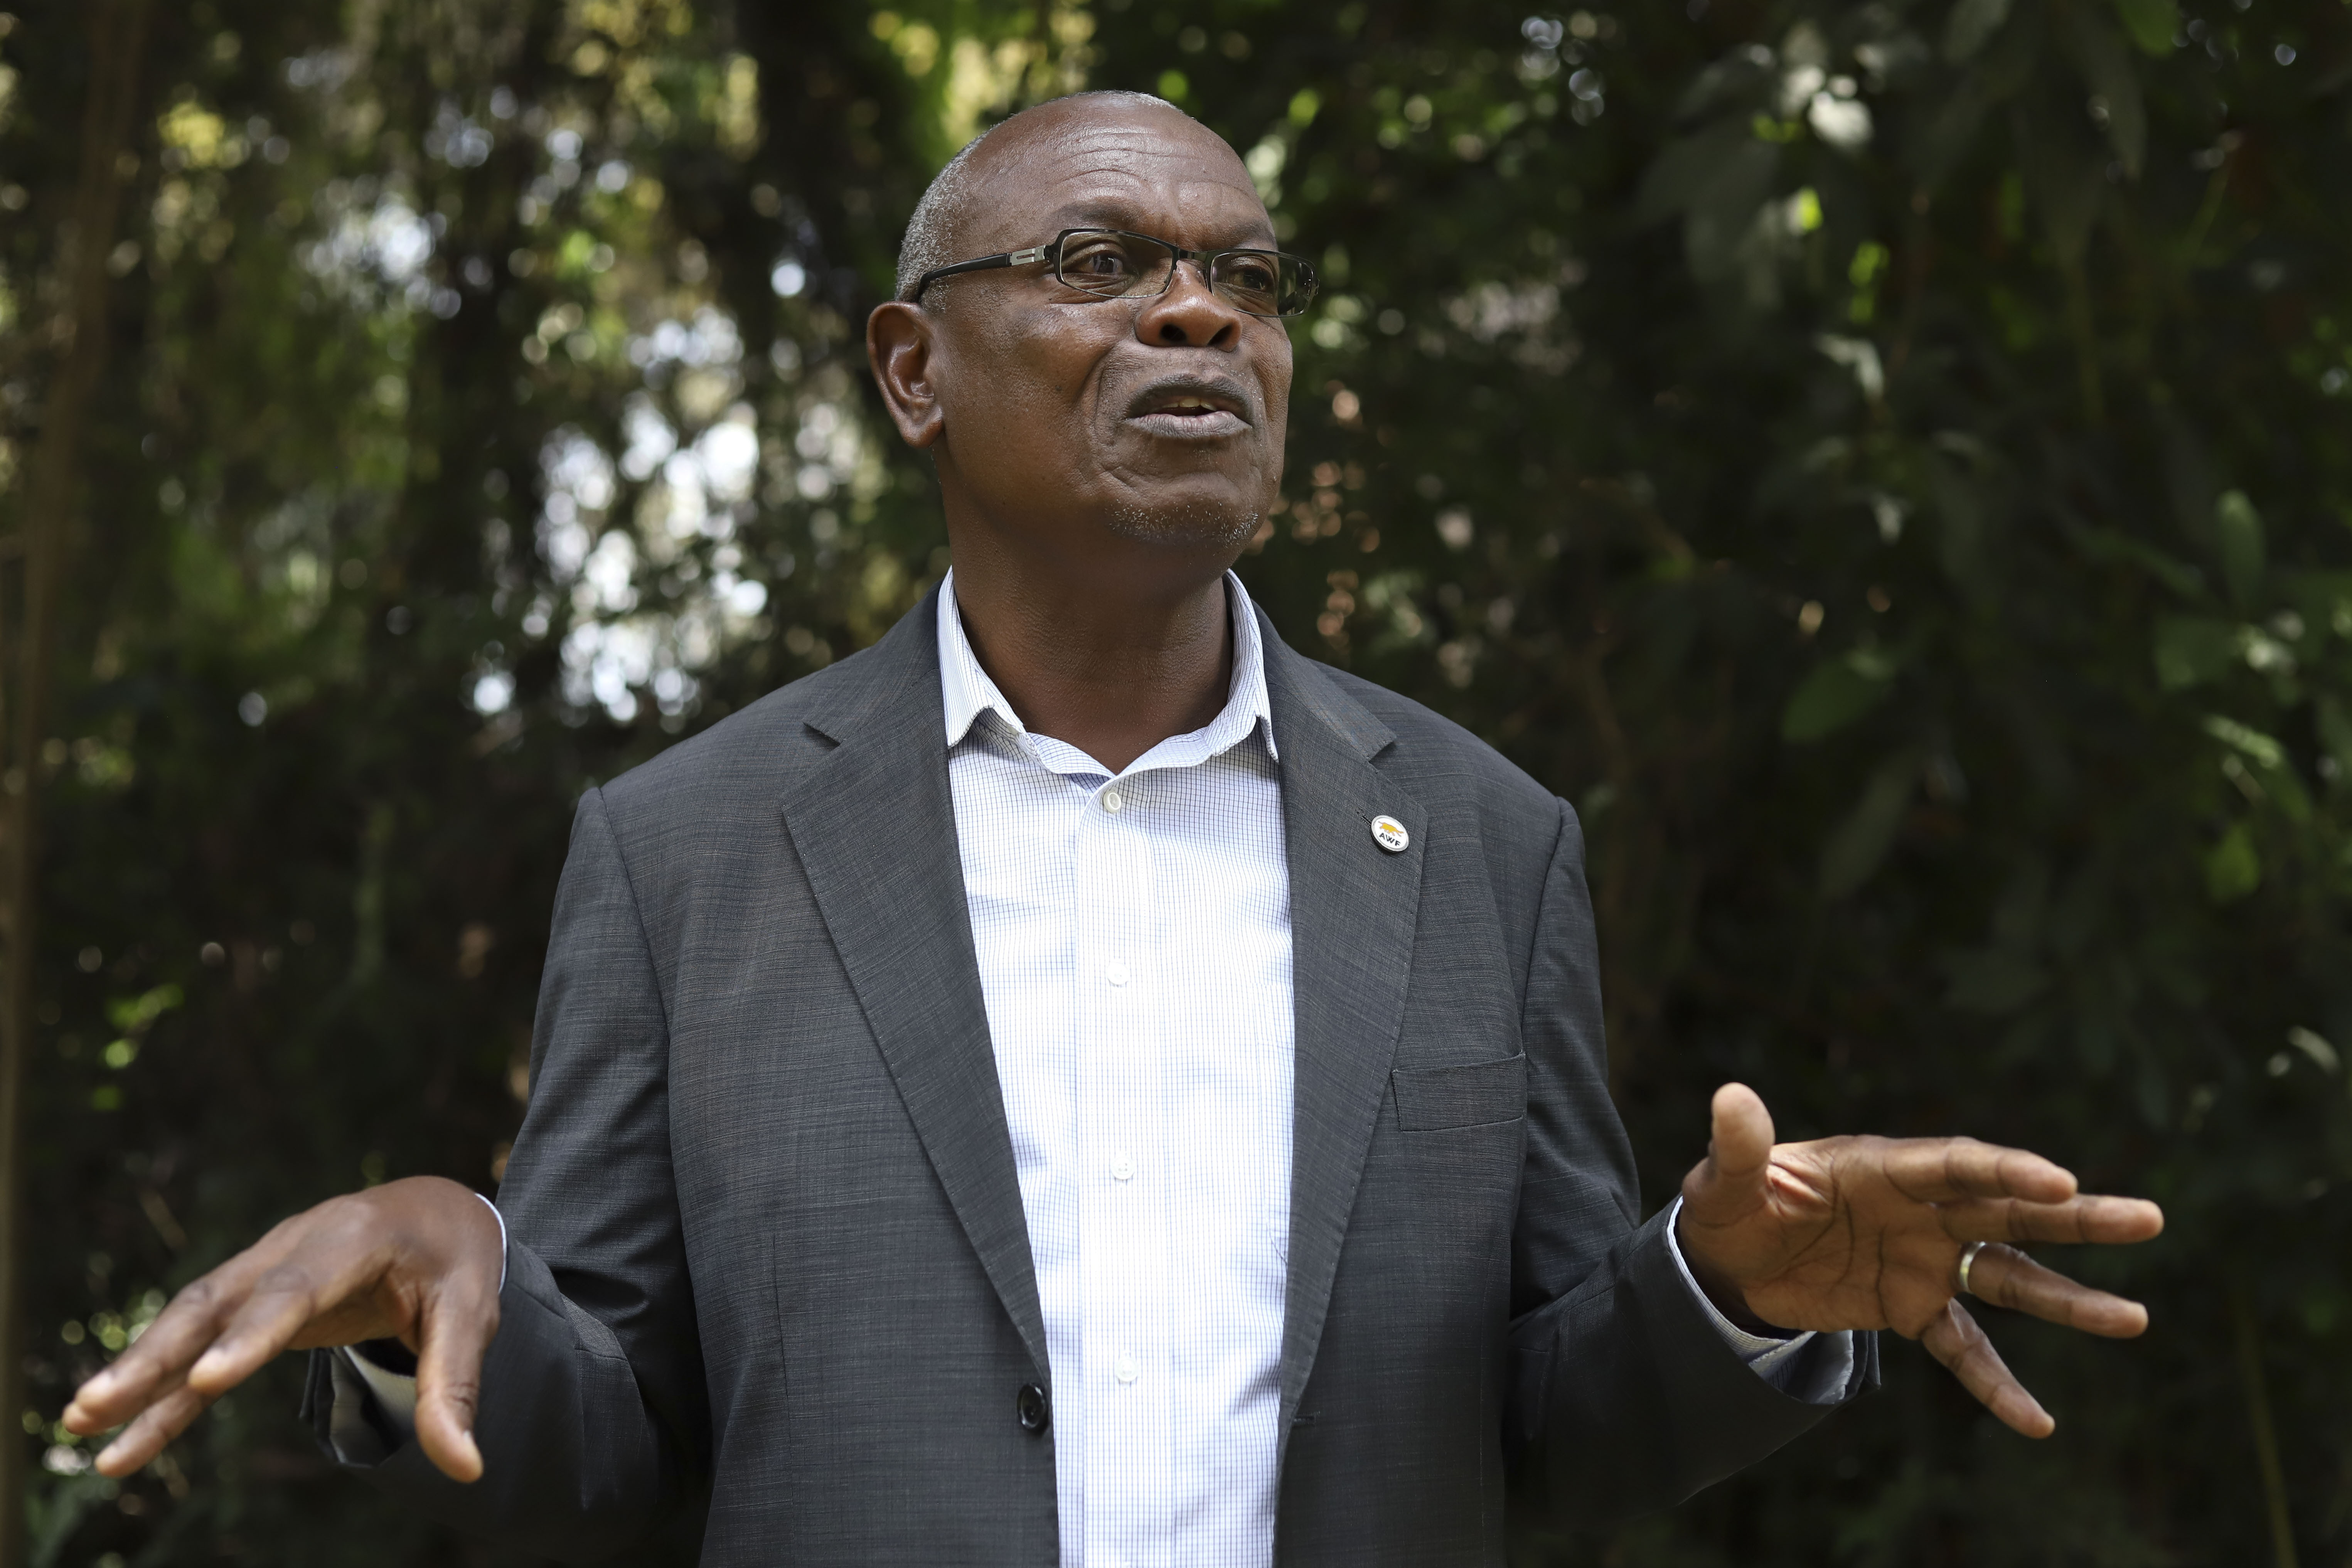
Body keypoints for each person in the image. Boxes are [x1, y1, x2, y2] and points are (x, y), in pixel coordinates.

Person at [65, 91, 2163, 1565]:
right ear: (913, 369)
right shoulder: (687, 848)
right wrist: (459, 1272)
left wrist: (1726, 1286)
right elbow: (610, 1459)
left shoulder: (1481, 836)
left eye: (1244, 277)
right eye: (1099, 263)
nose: (1197, 315)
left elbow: (1534, 1437)